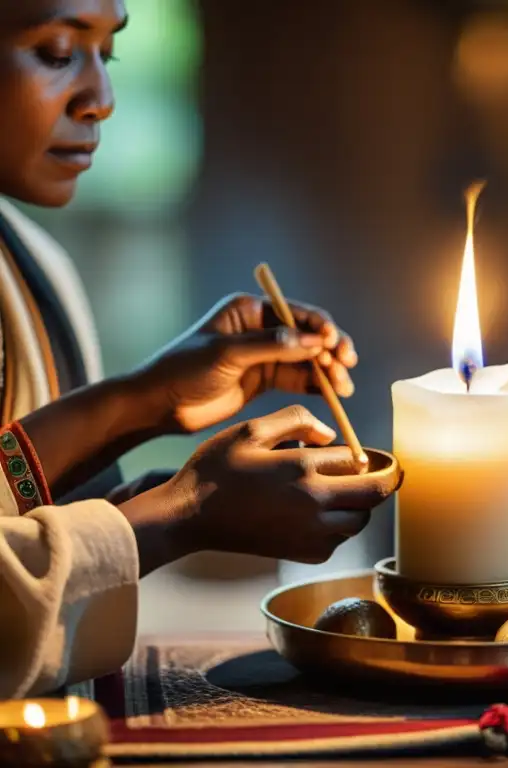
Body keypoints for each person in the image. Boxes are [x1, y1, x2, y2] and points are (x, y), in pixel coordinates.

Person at [0, 0, 397, 698]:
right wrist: (182, 514)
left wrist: (143, 401)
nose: (102, 100)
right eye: (59, 52)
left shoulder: (33, 262)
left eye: (107, 53)